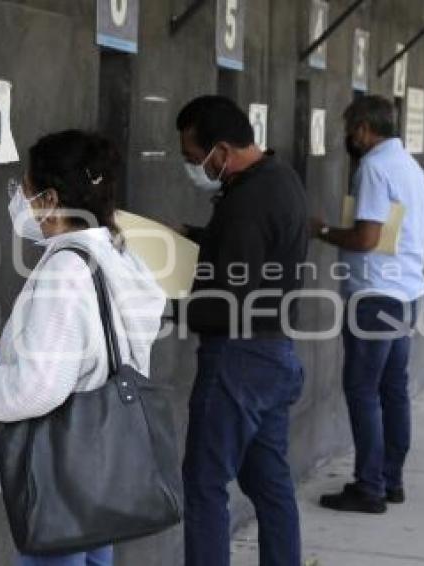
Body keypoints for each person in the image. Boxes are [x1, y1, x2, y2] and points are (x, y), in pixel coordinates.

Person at [0, 130, 167, 565]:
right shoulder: (117, 252)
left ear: (48, 200)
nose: (19, 202)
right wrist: (9, 346)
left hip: (61, 479)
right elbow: (91, 345)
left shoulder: (65, 269)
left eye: (22, 190)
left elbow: (35, 391)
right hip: (100, 467)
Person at [175, 95, 308, 566]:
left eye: (196, 158)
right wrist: (194, 236)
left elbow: (230, 300)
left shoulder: (247, 201)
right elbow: (250, 254)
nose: (194, 166)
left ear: (223, 151)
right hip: (275, 355)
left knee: (205, 483)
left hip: (238, 358)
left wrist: (170, 309)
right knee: (269, 483)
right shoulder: (279, 178)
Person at [310, 95, 424, 514]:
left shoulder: (374, 168)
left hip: (375, 295)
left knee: (363, 390)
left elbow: (366, 238)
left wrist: (321, 230)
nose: (348, 138)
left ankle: (369, 487)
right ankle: (391, 480)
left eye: (349, 129)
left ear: (362, 128)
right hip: (406, 293)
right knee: (392, 389)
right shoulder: (410, 167)